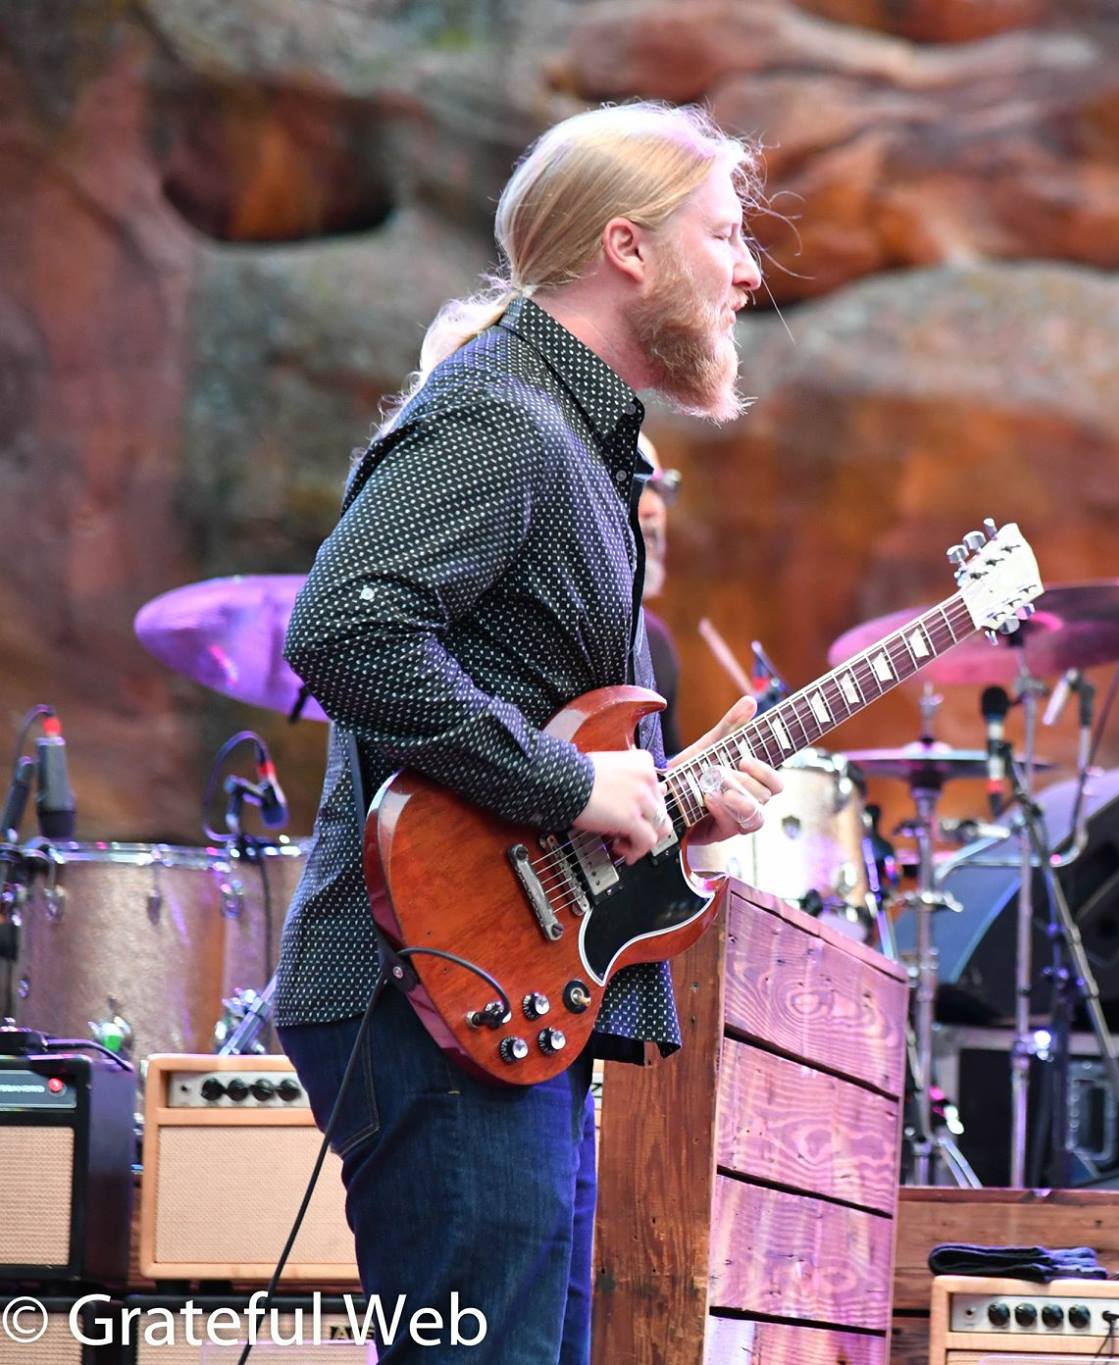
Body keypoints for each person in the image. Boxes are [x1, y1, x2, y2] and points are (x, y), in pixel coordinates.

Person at [275, 101, 782, 1363]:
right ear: (627, 248)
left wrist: (658, 802)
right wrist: (572, 785)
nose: (747, 270)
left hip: (490, 990)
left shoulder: (575, 437)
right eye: (721, 234)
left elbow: (533, 715)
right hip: (424, 989)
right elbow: (343, 631)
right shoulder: (502, 412)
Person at [637, 429, 687, 756]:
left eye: (660, 487)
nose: (654, 507)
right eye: (638, 486)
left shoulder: (655, 643)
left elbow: (667, 789)